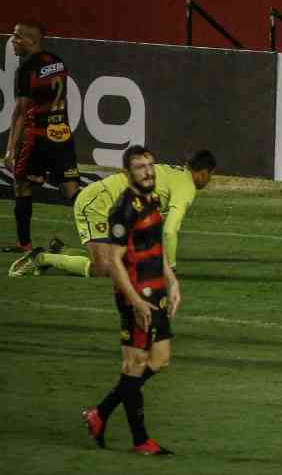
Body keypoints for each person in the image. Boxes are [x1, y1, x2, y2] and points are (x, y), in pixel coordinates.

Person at [82, 145, 180, 455]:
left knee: (160, 359)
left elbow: (156, 246)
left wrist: (172, 280)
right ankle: (141, 441)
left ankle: (100, 412)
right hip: (136, 297)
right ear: (127, 173)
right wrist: (135, 301)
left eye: (150, 165)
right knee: (134, 365)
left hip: (157, 292)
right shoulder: (123, 209)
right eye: (140, 167)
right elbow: (114, 262)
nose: (148, 171)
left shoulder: (152, 199)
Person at [8, 149, 216, 278]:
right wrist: (171, 267)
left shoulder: (175, 174)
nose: (208, 181)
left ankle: (63, 250)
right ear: (203, 172)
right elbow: (170, 231)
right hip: (98, 203)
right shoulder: (187, 186)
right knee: (104, 269)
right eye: (210, 176)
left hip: (111, 206)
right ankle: (42, 259)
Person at [3, 22, 80, 252]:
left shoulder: (27, 70)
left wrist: (10, 149)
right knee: (71, 192)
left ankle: (24, 243)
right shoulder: (57, 62)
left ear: (32, 41)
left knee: (22, 185)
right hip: (62, 135)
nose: (13, 40)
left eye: (17, 37)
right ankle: (107, 235)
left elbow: (20, 112)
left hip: (37, 138)